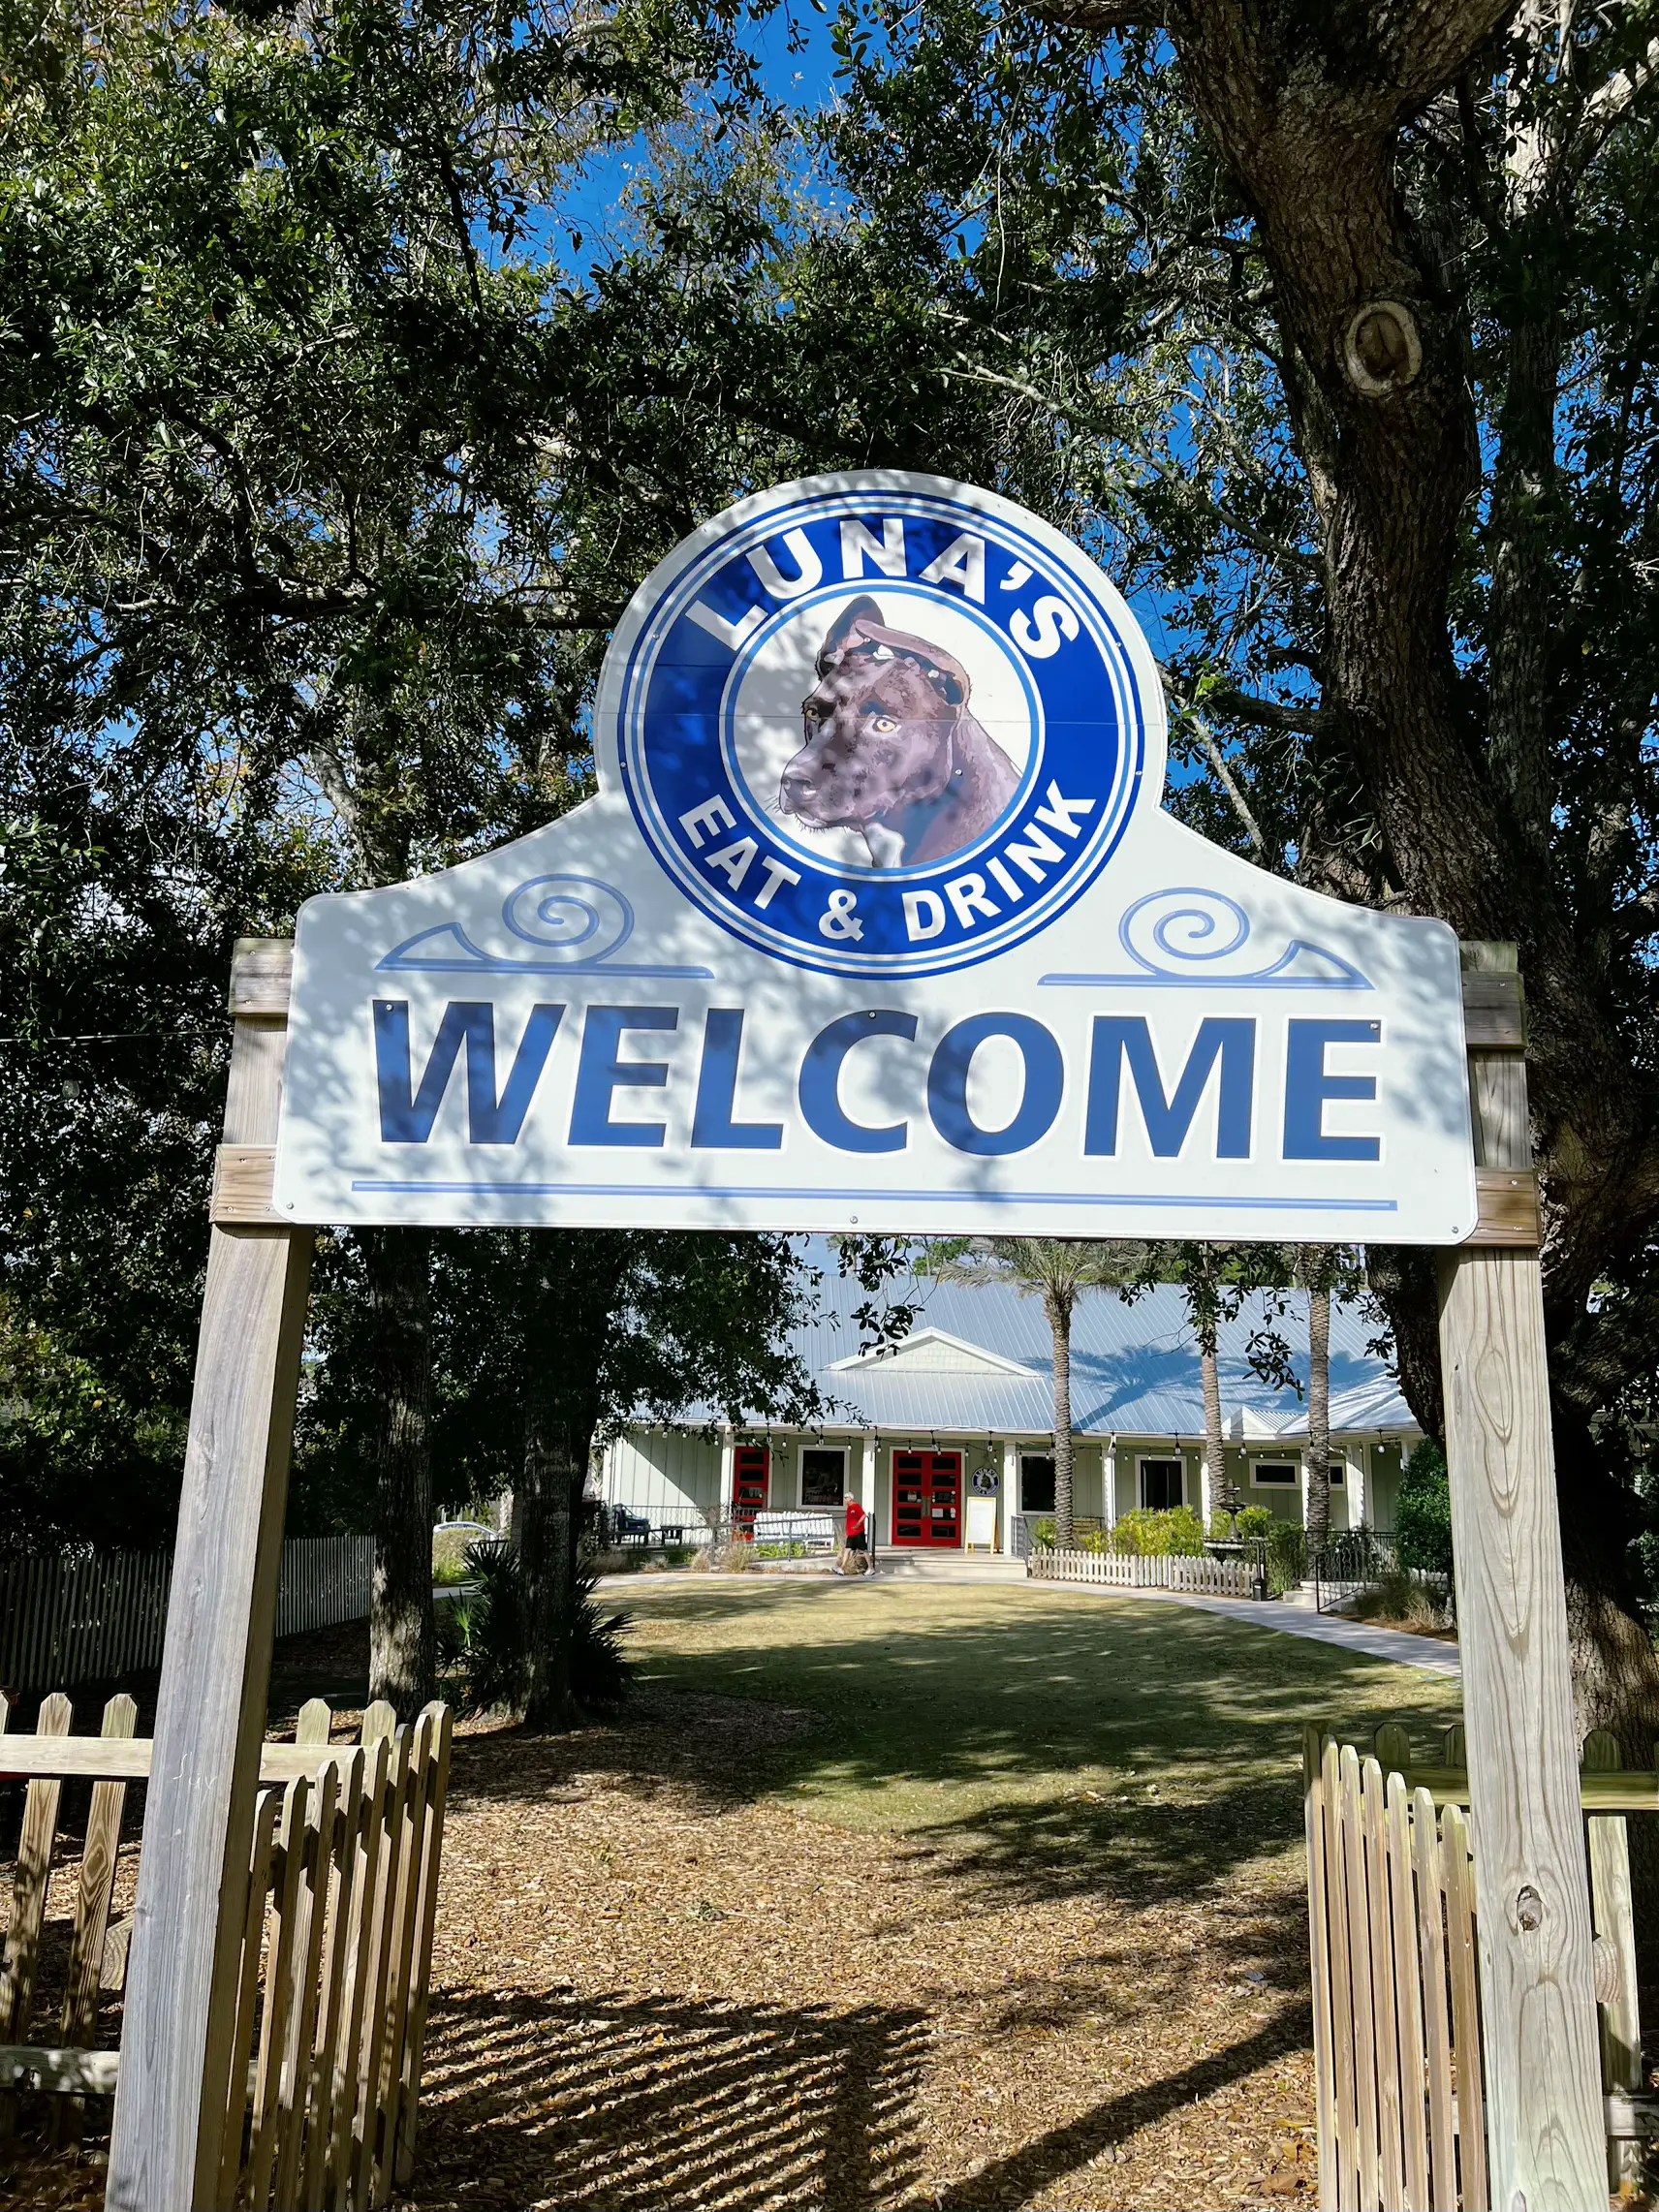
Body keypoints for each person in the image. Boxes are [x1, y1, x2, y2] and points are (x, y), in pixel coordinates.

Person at [840, 1487, 870, 1575]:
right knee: (847, 1550)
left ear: (850, 1498)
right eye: (844, 1498)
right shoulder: (849, 1508)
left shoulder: (856, 1506)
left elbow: (863, 1516)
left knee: (864, 1550)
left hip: (858, 1533)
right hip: (851, 1534)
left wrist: (857, 1525)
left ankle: (870, 1568)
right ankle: (842, 1568)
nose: (845, 1500)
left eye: (846, 1498)